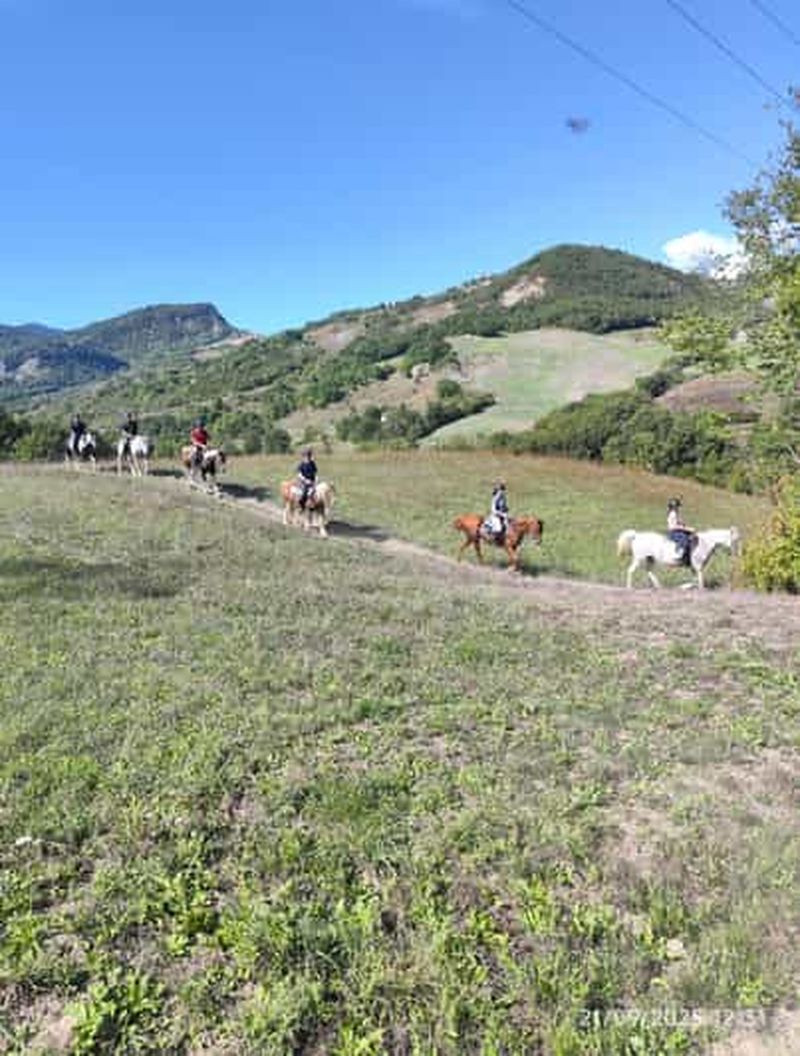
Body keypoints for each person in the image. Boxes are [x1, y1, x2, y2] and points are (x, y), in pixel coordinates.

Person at [666, 497, 696, 565]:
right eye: (678, 506)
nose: (679, 508)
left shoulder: (676, 514)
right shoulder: (673, 514)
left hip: (677, 530)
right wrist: (687, 529)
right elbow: (673, 526)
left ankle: (688, 556)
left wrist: (685, 526)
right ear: (674, 507)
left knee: (691, 537)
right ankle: (678, 555)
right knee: (684, 539)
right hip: (673, 532)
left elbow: (679, 523)